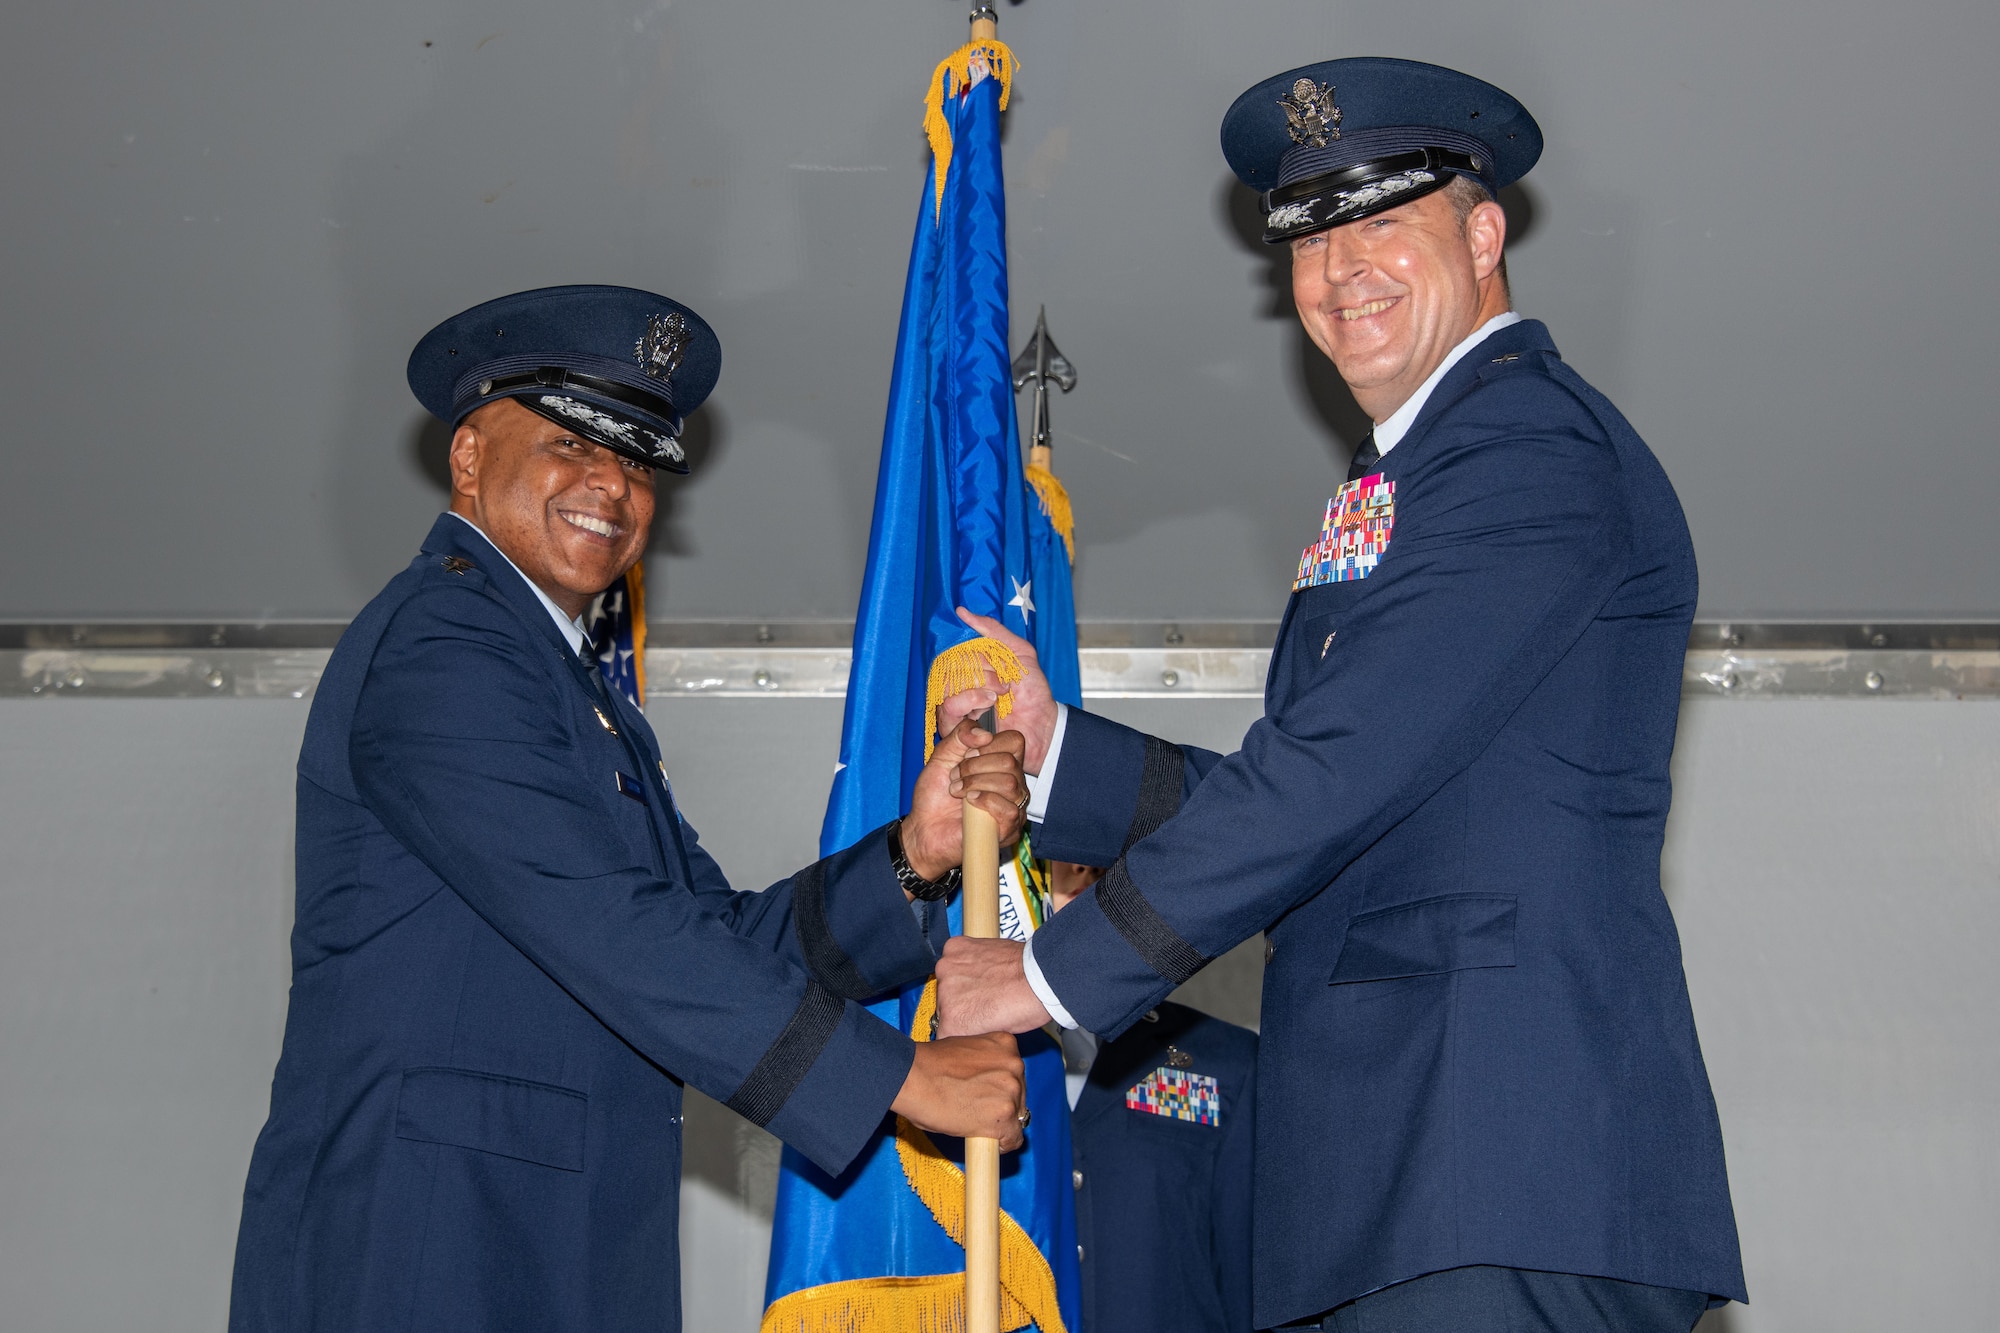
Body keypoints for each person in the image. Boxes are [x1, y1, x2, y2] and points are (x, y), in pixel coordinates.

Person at [933, 60, 1748, 1332]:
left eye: (1381, 222)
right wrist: (1057, 757)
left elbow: (1329, 772)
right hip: (1396, 1184)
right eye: (1309, 239)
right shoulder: (1421, 468)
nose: (1338, 269)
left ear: (1482, 237)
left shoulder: (1521, 444)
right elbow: (1346, 797)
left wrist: (1048, 973)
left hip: (1490, 1163)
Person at [228, 285, 1032, 1333]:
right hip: (430, 1254)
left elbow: (713, 937)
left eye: (640, 461)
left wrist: (915, 856)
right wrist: (897, 1077)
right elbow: (611, 926)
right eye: (571, 443)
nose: (611, 485)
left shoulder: (572, 690)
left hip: (551, 1250)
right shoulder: (443, 642)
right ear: (468, 457)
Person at [1045, 863, 1257, 1333]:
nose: (1080, 867)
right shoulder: (957, 1068)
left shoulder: (1223, 1062)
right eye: (1054, 852)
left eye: (1100, 850)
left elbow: (1247, 1282)